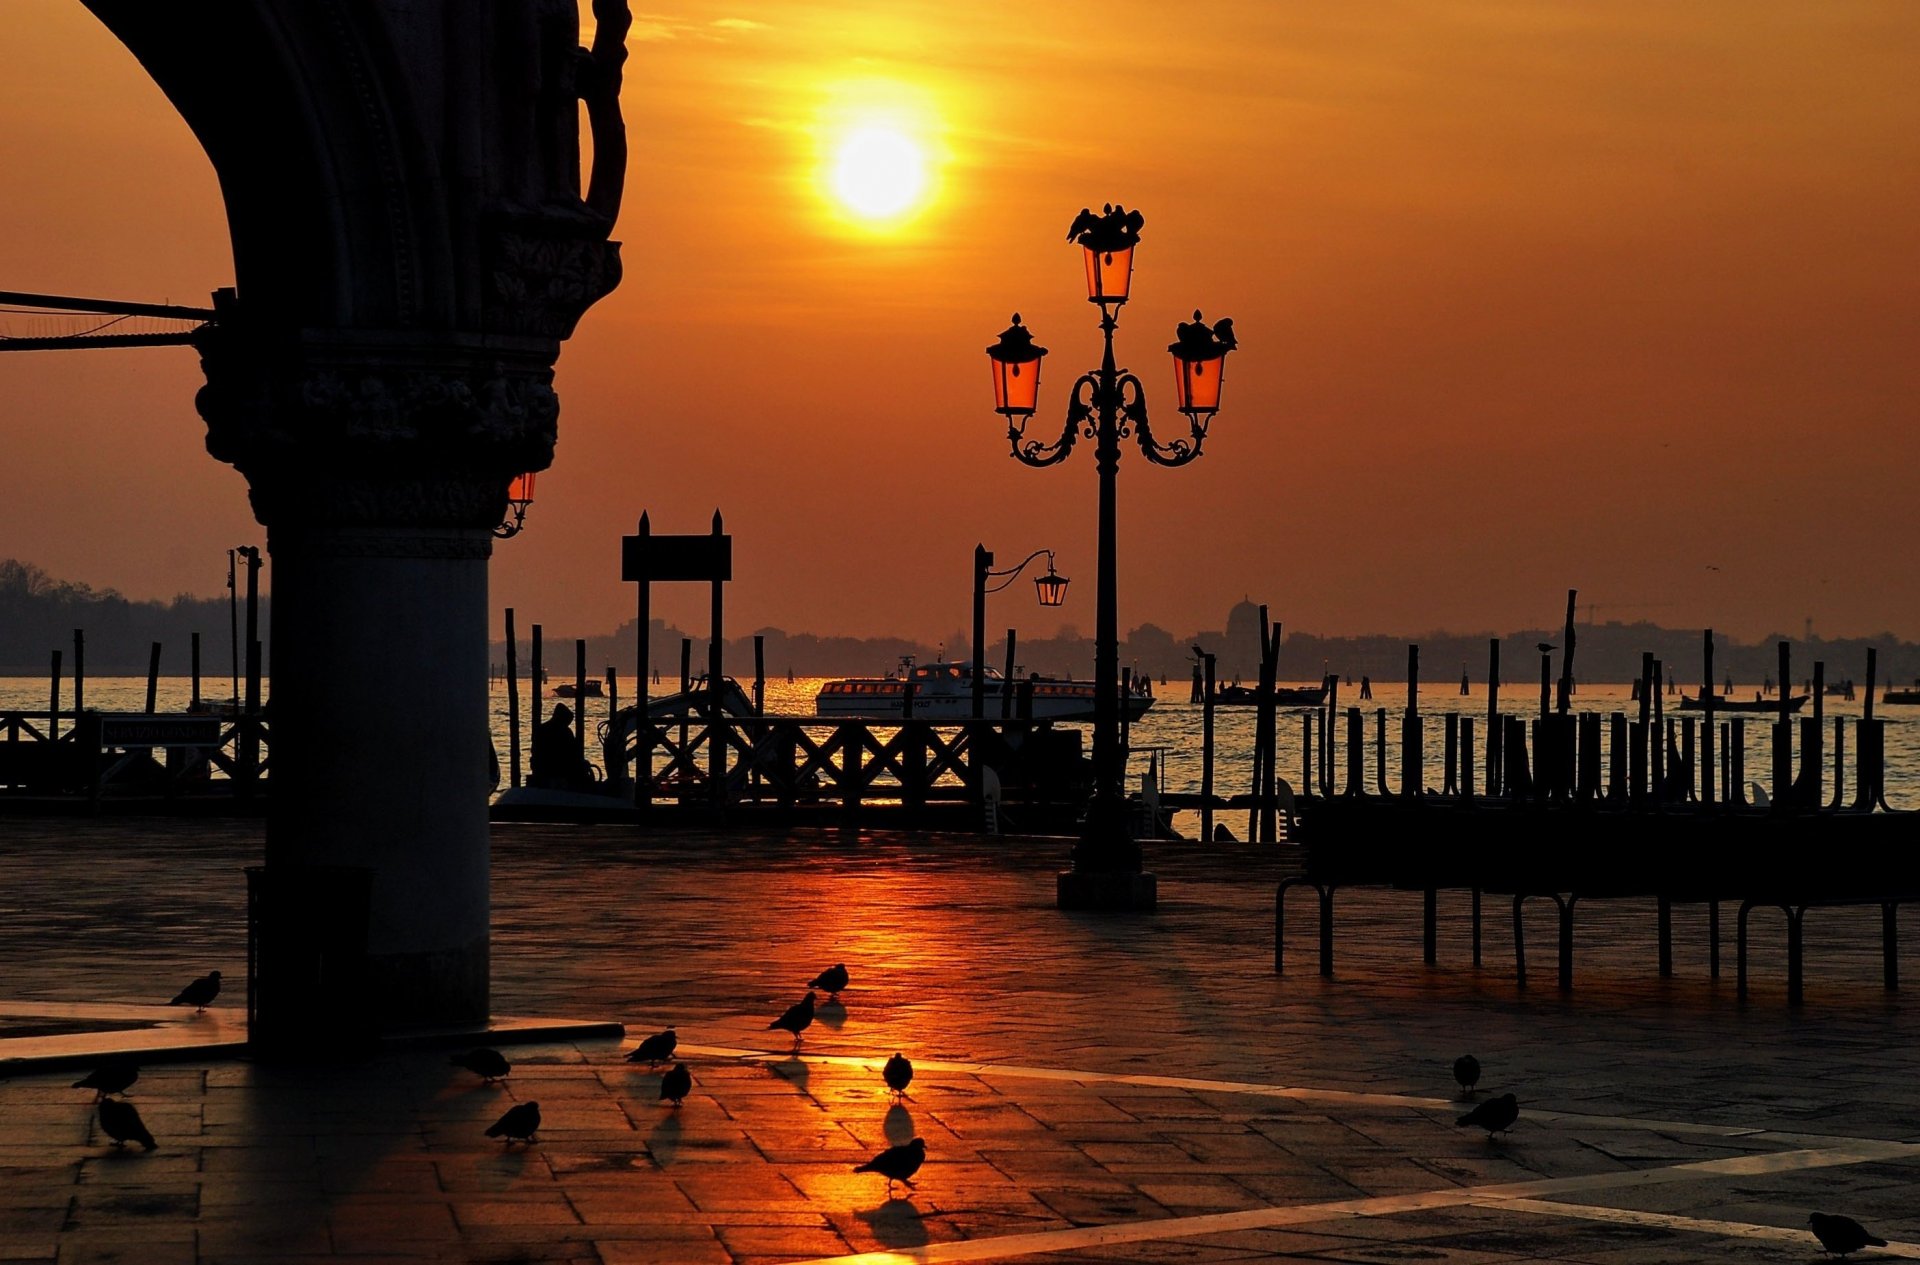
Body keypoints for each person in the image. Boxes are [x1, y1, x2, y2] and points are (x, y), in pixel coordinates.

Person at [530, 703, 593, 791]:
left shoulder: (542, 729)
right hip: (556, 770)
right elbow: (571, 754)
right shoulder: (564, 732)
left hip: (543, 768)